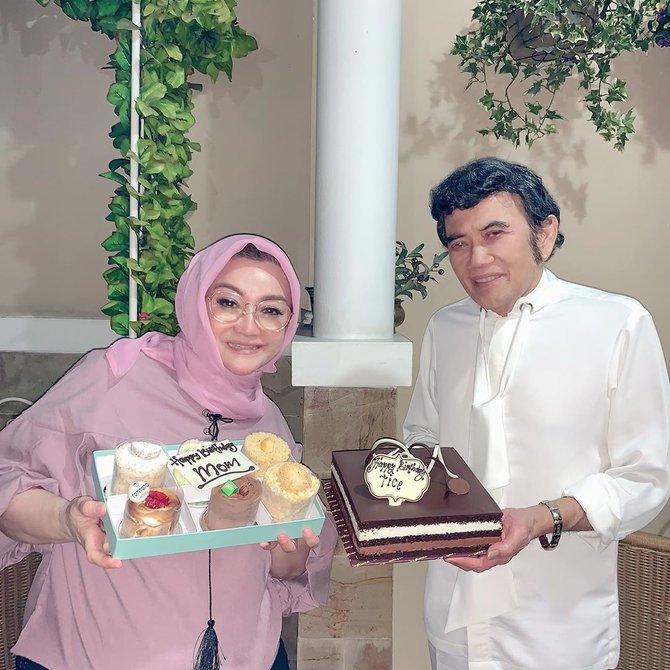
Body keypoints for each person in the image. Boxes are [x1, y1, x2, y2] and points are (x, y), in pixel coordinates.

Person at [0, 233, 337, 670]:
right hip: (98, 655)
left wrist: (288, 547)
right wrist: (69, 519)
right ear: (195, 303)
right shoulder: (114, 379)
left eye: (271, 310)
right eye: (228, 303)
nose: (249, 326)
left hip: (246, 656)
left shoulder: (268, 427)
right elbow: (7, 488)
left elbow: (283, 570)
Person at [403, 157, 670, 670]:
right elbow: (423, 435)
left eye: (494, 233)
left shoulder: (618, 324)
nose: (477, 259)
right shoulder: (445, 328)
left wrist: (542, 517)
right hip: (454, 617)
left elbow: (645, 477)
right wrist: (395, 492)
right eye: (458, 243)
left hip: (557, 626)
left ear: (544, 234)